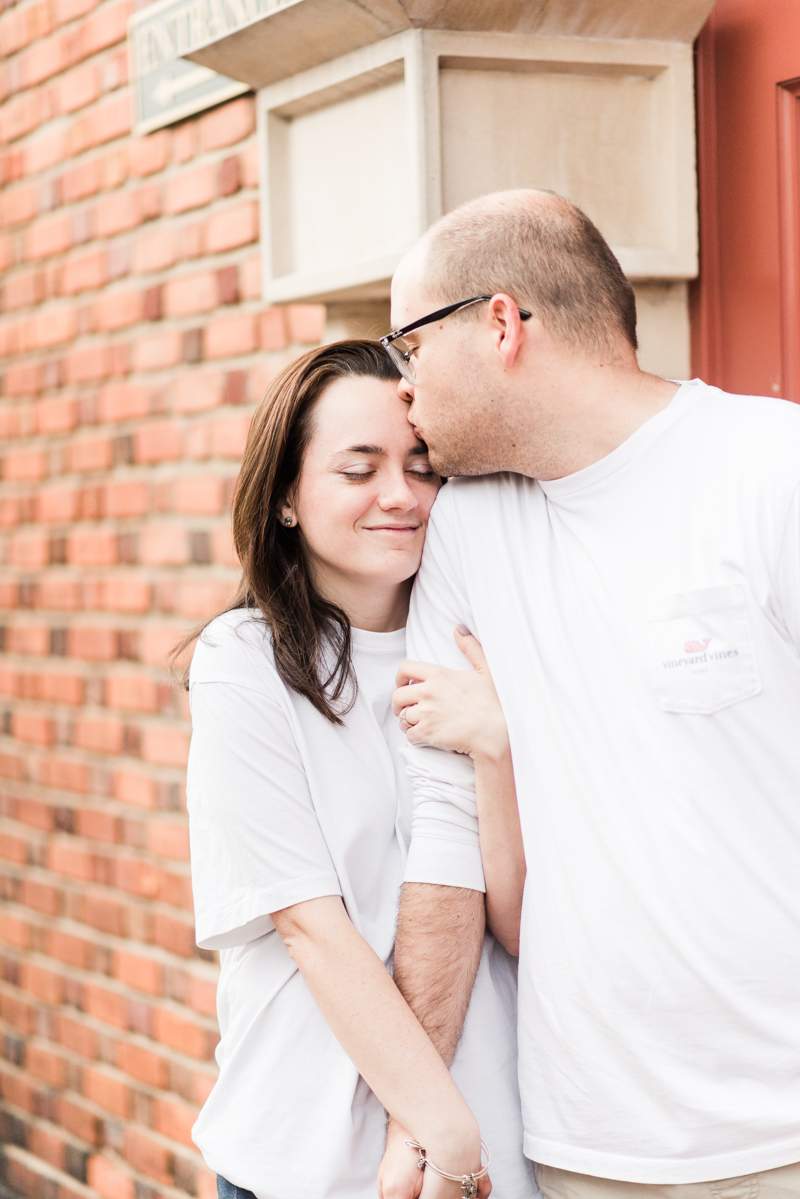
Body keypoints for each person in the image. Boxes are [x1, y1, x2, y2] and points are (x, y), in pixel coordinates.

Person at [379, 189, 800, 1199]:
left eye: (406, 348)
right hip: (584, 1138)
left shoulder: (768, 467)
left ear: (499, 320)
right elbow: (443, 834)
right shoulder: (469, 532)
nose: (400, 389)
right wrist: (415, 1105)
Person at [181, 340, 536, 1199]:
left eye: (421, 466)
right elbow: (312, 927)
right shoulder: (245, 661)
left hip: (491, 1146)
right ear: (288, 499)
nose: (399, 495)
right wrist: (434, 1128)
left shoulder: (480, 651)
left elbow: (522, 929)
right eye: (358, 468)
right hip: (309, 1155)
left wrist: (496, 749)